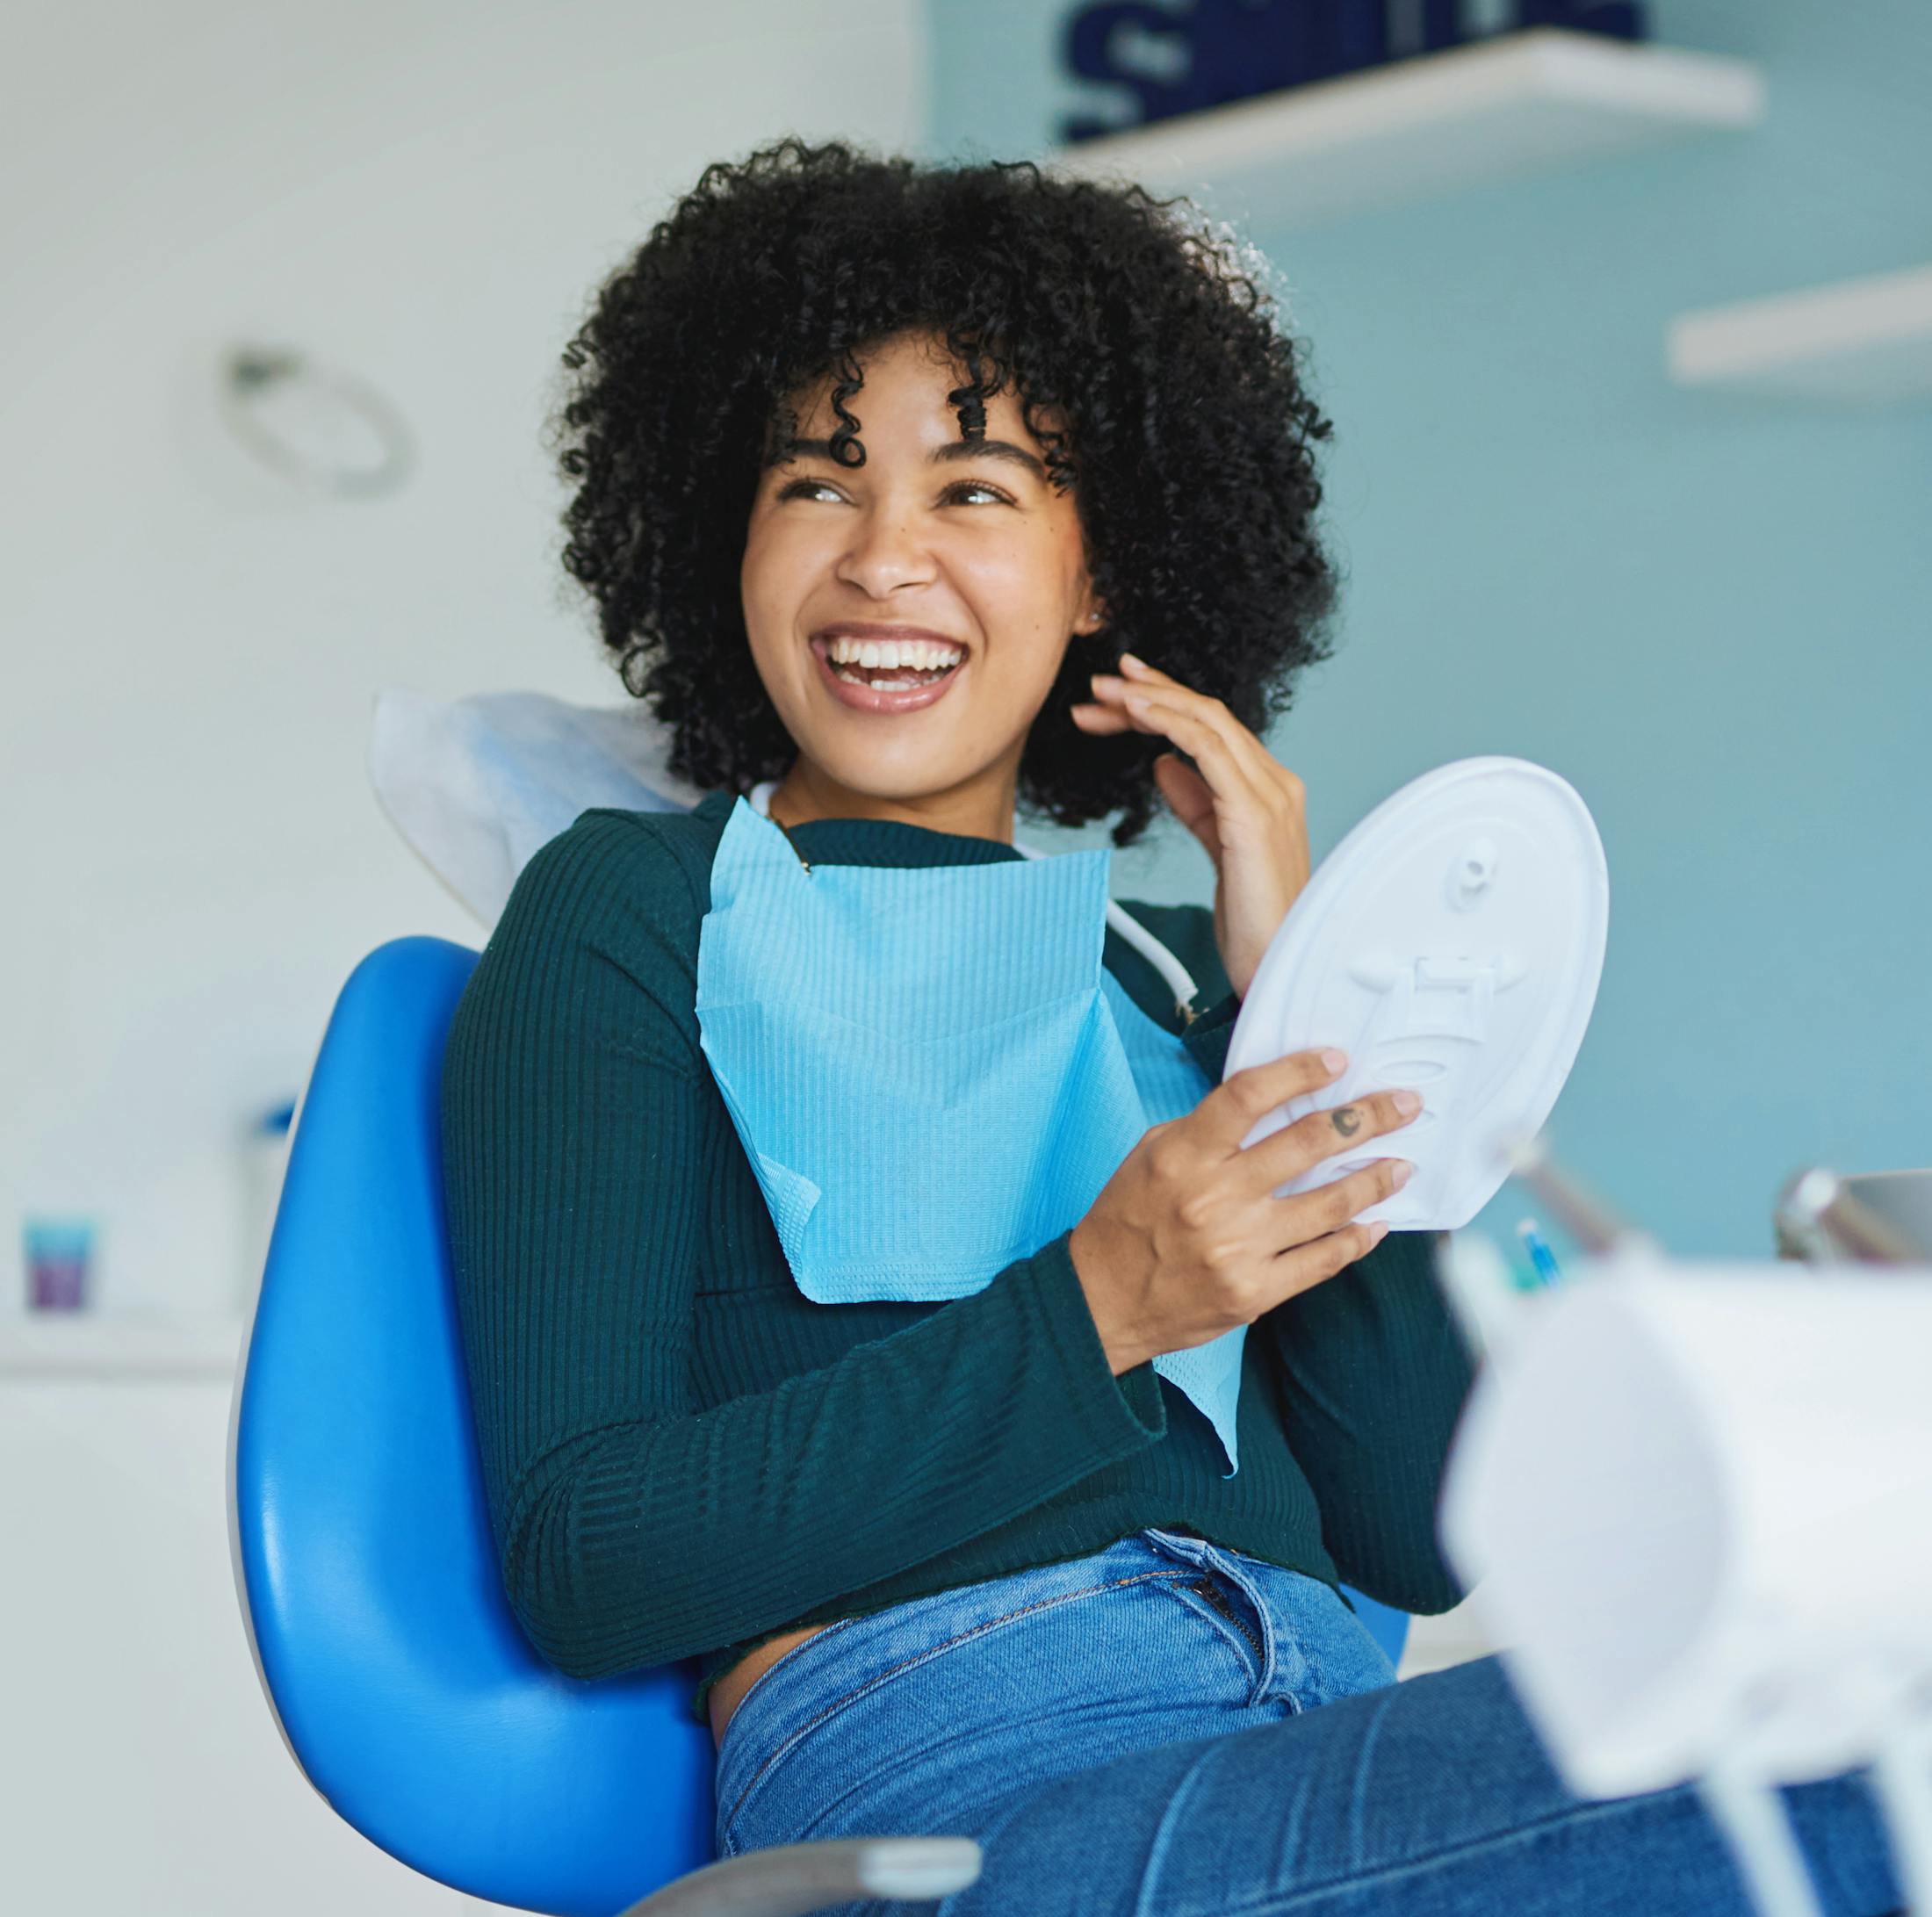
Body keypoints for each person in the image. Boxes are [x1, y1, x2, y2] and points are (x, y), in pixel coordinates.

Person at [438, 139, 1901, 1915]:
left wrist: (1305, 999)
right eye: (813, 484)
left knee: (1848, 1687)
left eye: (973, 490)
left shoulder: (1176, 979)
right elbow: (583, 1556)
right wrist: (1099, 1306)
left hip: (1307, 1738)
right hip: (956, 1779)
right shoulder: (633, 908)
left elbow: (1418, 1530)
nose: (881, 558)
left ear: (1100, 571)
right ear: (721, 535)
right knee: (1861, 1770)